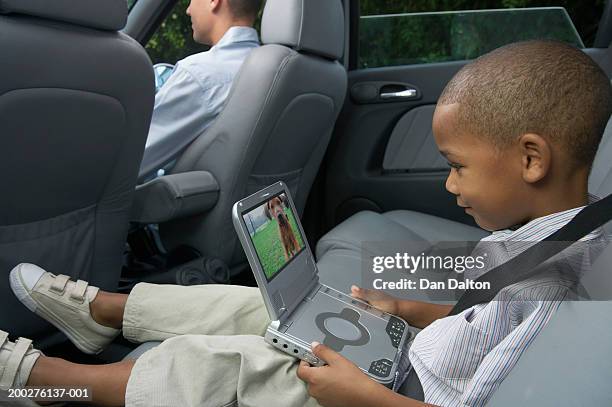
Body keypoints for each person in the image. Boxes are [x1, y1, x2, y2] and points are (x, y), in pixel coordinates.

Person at [1, 40, 611, 407]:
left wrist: (361, 397)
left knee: (225, 363)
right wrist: (406, 312)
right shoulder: (548, 243)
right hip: (403, 356)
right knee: (262, 308)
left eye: (457, 168)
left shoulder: (555, 290)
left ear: (531, 159)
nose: (450, 185)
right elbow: (481, 320)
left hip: (395, 392)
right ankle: (102, 311)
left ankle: (48, 384)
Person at [139, 0, 262, 179]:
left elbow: (128, 161)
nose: (188, 10)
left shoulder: (200, 76)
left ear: (214, 1)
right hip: (268, 205)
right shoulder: (278, 75)